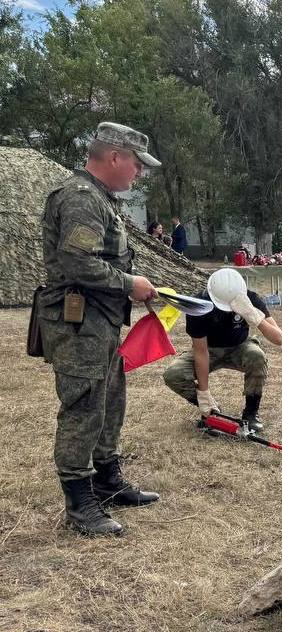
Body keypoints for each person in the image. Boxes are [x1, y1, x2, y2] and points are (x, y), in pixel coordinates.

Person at [38, 121, 162, 536]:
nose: (139, 172)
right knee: (84, 406)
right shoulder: (80, 198)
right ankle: (80, 505)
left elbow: (102, 259)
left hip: (100, 320)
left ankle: (107, 480)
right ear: (114, 157)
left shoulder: (100, 198)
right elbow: (77, 262)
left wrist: (132, 288)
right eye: (136, 163)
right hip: (79, 324)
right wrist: (129, 284)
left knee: (109, 401)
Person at [162, 268, 282, 434]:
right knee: (173, 374)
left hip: (240, 346)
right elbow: (201, 351)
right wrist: (204, 393)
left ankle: (251, 413)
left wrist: (254, 316)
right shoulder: (198, 305)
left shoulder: (251, 299)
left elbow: (279, 339)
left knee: (257, 356)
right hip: (209, 349)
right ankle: (211, 408)